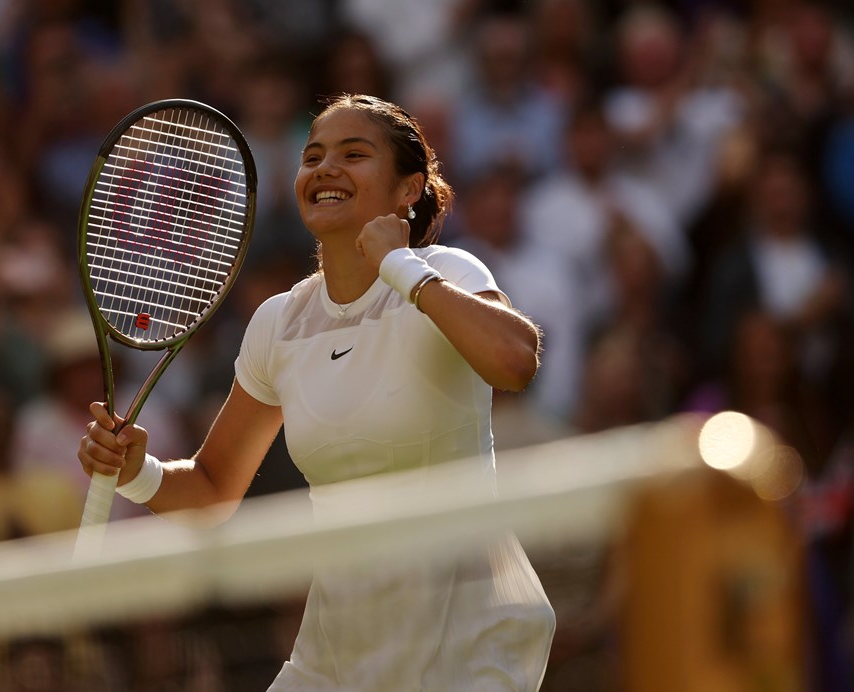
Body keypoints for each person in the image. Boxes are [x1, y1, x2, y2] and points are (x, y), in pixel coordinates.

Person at [78, 93, 555, 690]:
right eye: (313, 156)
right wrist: (134, 470)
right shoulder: (278, 323)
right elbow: (212, 489)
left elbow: (514, 361)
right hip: (337, 653)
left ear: (408, 190)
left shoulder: (448, 272)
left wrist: (401, 268)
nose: (325, 169)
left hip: (468, 640)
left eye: (354, 154)